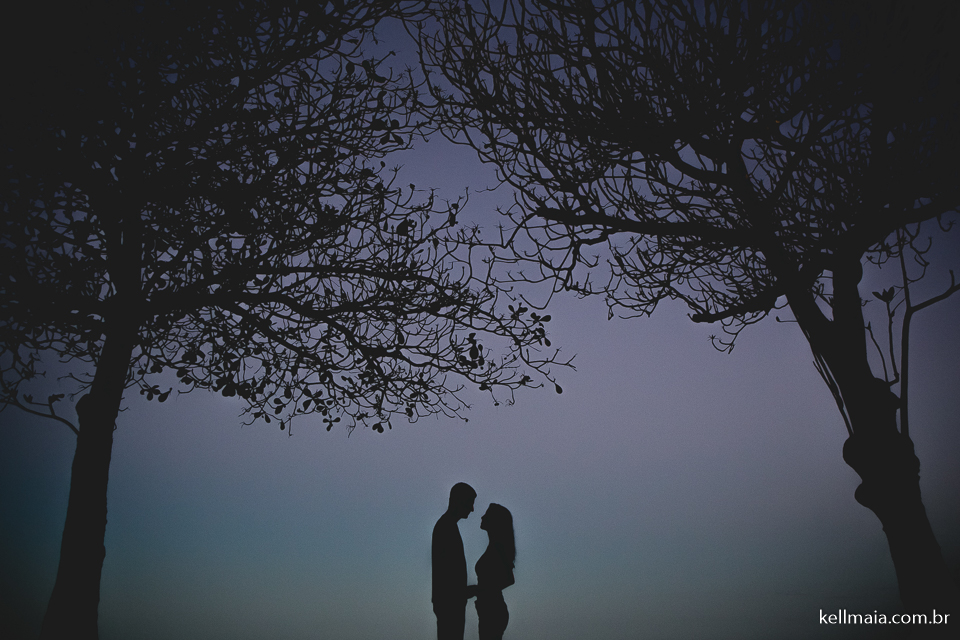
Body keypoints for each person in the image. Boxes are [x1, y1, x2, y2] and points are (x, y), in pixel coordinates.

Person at [432, 482, 477, 640]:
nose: (472, 509)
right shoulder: (446, 528)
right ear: (459, 501)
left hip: (449, 603)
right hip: (450, 606)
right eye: (470, 502)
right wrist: (463, 592)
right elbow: (446, 574)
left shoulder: (447, 526)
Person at [475, 503, 515, 640]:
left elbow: (509, 579)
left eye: (486, 515)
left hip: (492, 611)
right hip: (488, 609)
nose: (482, 517)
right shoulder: (494, 546)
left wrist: (479, 590)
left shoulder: (497, 548)